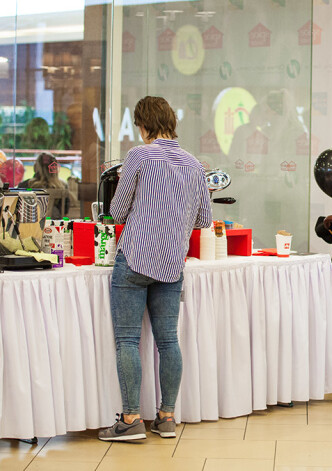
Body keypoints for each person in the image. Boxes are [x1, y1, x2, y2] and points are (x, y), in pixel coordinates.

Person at [99, 96, 212, 441]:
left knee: (128, 339)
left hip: (134, 258)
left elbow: (116, 212)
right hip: (171, 262)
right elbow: (204, 219)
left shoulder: (138, 155)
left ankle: (131, 420)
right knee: (168, 341)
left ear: (143, 124)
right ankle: (166, 417)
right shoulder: (194, 163)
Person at [18, 152, 70, 218]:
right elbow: (65, 212)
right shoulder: (63, 186)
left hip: (32, 222)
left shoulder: (26, 185)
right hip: (54, 223)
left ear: (36, 167)